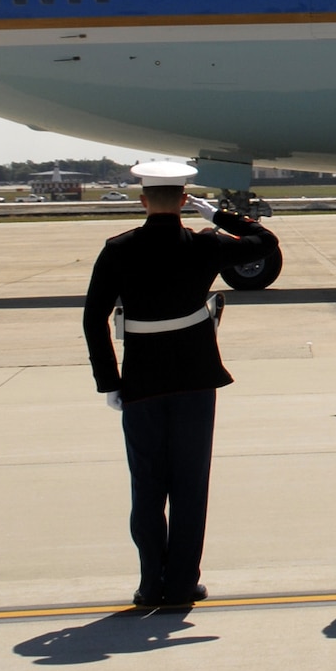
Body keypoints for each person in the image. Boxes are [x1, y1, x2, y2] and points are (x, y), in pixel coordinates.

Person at [80, 161, 278, 607]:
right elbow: (264, 243)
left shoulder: (118, 248)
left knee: (147, 485)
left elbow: (94, 319)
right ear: (185, 199)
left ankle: (152, 583)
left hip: (141, 381)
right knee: (190, 484)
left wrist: (108, 380)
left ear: (143, 200)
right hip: (194, 377)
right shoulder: (204, 245)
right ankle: (184, 581)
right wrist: (220, 216)